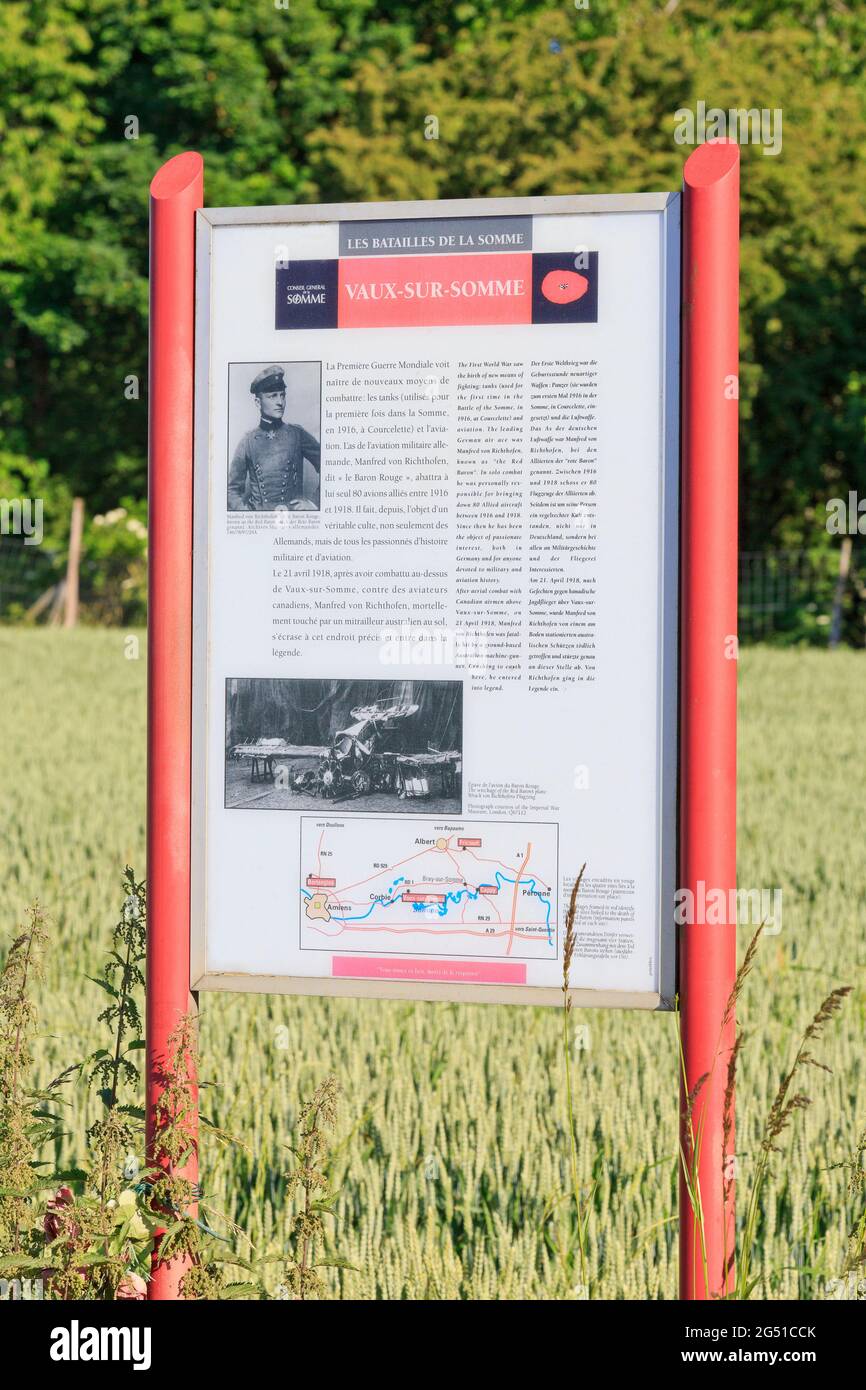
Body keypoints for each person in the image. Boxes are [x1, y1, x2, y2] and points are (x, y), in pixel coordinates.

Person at [227, 365, 321, 511]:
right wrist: (247, 516)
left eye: (282, 395)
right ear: (258, 402)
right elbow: (232, 490)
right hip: (260, 523)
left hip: (292, 520)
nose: (280, 402)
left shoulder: (297, 434)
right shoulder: (248, 442)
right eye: (272, 396)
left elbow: (331, 465)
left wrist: (314, 503)